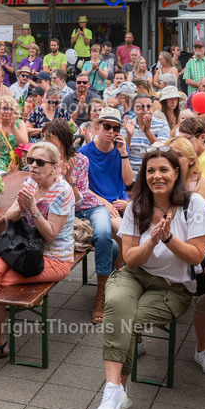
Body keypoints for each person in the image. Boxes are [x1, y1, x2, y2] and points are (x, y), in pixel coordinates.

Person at [94, 148, 205, 409]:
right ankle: (114, 389)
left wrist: (169, 237)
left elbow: (197, 255)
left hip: (173, 287)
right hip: (135, 276)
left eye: (163, 170)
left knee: (123, 318)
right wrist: (151, 240)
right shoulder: (138, 206)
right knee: (116, 304)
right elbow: (131, 260)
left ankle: (119, 393)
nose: (156, 176)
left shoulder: (193, 204)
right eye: (150, 171)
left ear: (176, 173)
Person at [0, 141, 75, 362]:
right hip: (25, 252)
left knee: (0, 281)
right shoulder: (30, 183)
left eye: (40, 162)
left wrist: (33, 209)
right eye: (29, 160)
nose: (32, 166)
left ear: (54, 167)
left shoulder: (63, 192)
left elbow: (50, 234)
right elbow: (8, 218)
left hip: (53, 259)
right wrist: (20, 207)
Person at [79, 107, 132, 323]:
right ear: (98, 126)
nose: (111, 131)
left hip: (118, 203)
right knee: (119, 233)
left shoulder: (120, 150)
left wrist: (123, 152)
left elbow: (128, 183)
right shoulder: (84, 153)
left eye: (115, 128)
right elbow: (81, 187)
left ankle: (118, 286)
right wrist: (103, 201)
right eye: (107, 126)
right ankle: (104, 292)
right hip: (94, 205)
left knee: (124, 238)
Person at [124, 94, 170, 174]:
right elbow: (122, 153)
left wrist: (147, 132)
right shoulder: (127, 125)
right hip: (132, 175)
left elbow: (164, 151)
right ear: (134, 109)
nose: (145, 109)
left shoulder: (162, 125)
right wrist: (129, 136)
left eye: (149, 106)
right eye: (141, 107)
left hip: (154, 174)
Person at [0, 97, 28, 175]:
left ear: (14, 111)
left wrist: (14, 128)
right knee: (1, 176)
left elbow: (24, 145)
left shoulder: (20, 123)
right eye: (3, 108)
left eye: (10, 109)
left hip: (15, 162)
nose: (6, 111)